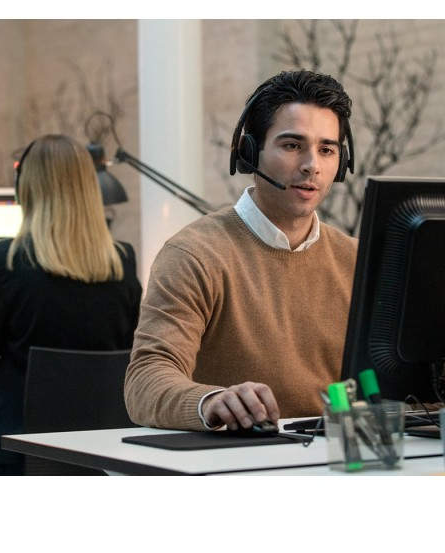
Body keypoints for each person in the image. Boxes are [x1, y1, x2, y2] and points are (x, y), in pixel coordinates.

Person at [124, 69, 359, 431]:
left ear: (340, 164)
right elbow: (145, 381)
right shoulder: (194, 254)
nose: (312, 165)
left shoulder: (357, 259)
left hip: (337, 451)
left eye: (326, 150)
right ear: (250, 154)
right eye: (292, 146)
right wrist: (210, 401)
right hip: (238, 456)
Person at [0, 134, 142, 475]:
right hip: (100, 454)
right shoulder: (122, 261)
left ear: (24, 189)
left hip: (19, 452)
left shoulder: (3, 262)